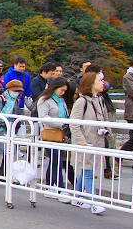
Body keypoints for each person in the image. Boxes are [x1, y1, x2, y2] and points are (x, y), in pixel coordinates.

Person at [69, 72, 109, 215]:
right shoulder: (82, 101)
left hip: (97, 141)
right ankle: (94, 202)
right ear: (91, 83)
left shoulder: (100, 100)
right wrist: (81, 141)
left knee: (87, 170)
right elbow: (74, 124)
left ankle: (77, 196)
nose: (102, 83)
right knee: (89, 172)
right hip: (86, 142)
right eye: (99, 81)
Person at [37, 77, 71, 202]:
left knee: (55, 160)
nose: (63, 93)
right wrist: (61, 123)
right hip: (50, 133)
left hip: (61, 133)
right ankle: (59, 187)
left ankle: (50, 185)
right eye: (61, 90)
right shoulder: (44, 100)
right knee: (56, 160)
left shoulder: (61, 100)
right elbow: (43, 117)